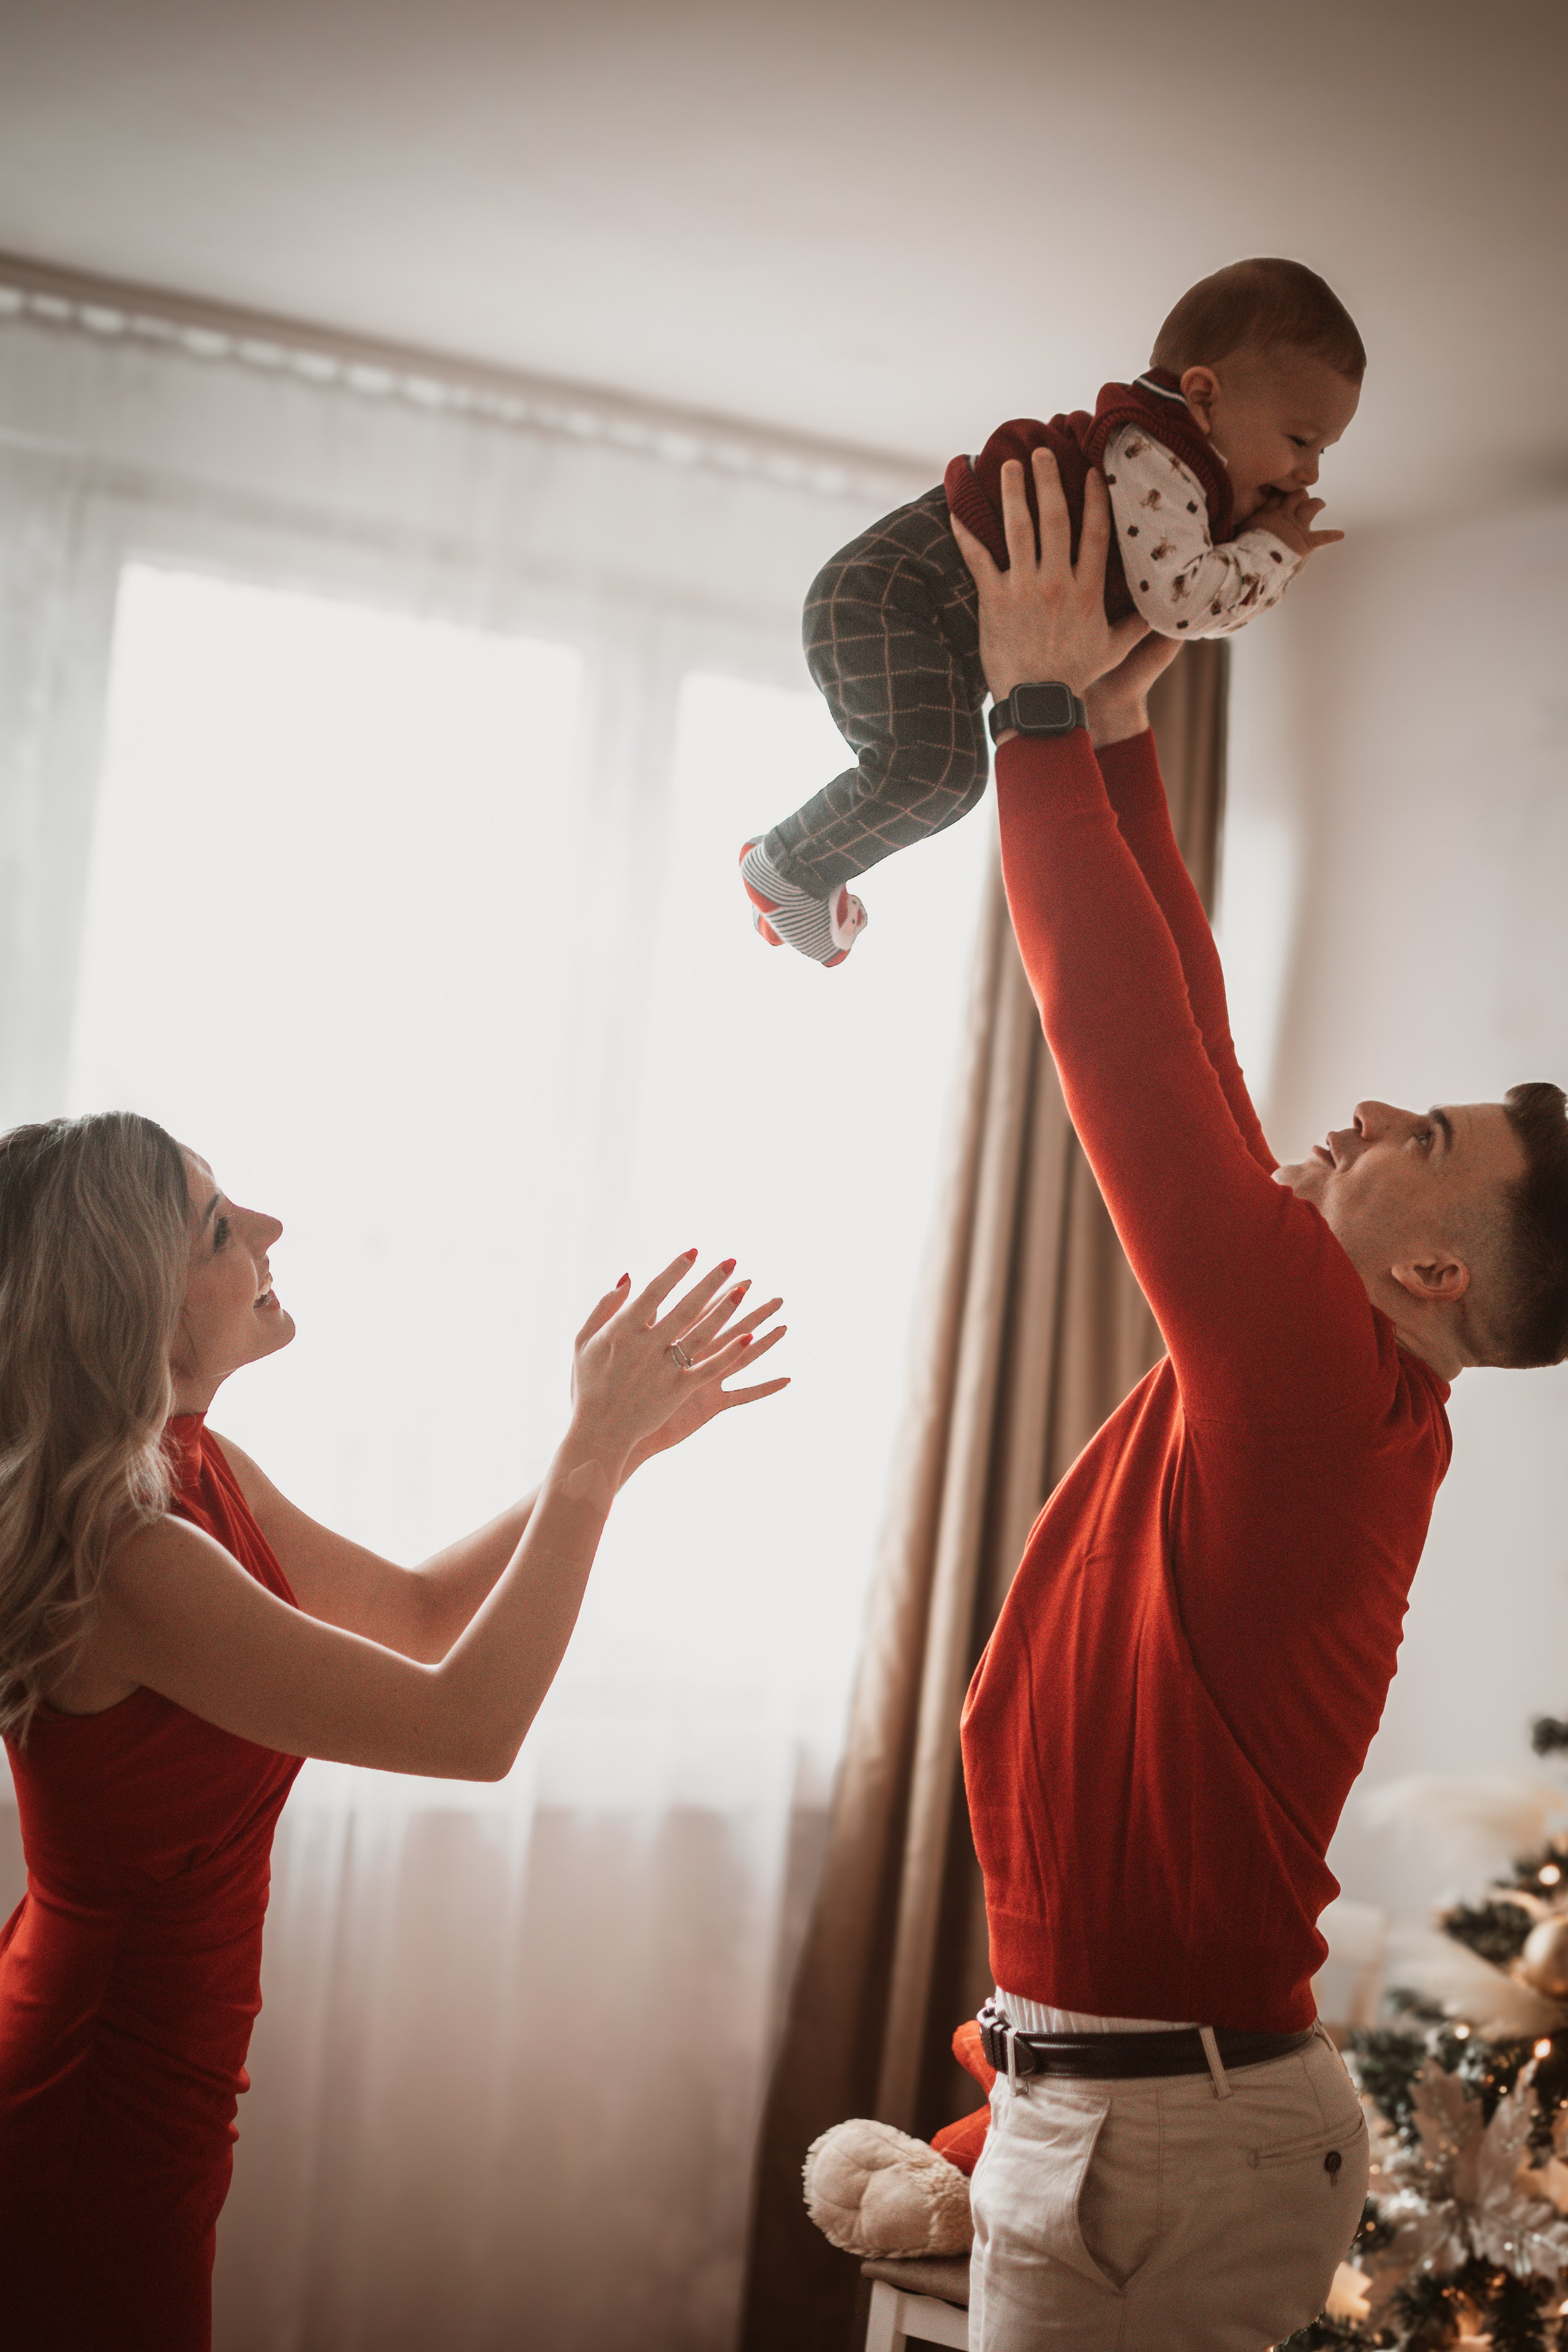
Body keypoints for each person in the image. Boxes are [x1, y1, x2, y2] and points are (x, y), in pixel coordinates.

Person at [945, 450, 1568, 2350]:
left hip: (1160, 2133)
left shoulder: (1323, 1385)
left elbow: (1129, 1057)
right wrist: (1123, 722)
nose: (1373, 1109)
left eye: (1426, 1135)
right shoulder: (1328, 1366)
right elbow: (1193, 1049)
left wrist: (1034, 715)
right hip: (1138, 2116)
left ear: (1439, 1269)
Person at [0, 1113, 788, 2350]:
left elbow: (418, 1618)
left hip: (167, 2071)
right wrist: (582, 1462)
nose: (268, 1230)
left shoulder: (197, 1470)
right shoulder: (134, 1558)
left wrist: (609, 1454)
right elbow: (467, 1727)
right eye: (217, 1225)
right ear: (133, 1302)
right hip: (100, 2089)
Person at [740, 256, 1362, 965]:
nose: (1309, 472)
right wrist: (1273, 549)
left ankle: (802, 868)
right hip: (888, 595)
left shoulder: (1168, 468)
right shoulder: (1156, 453)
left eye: (1323, 451)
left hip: (902, 607)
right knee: (939, 774)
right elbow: (1185, 601)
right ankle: (787, 867)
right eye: (1301, 440)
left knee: (942, 775)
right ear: (1203, 396)